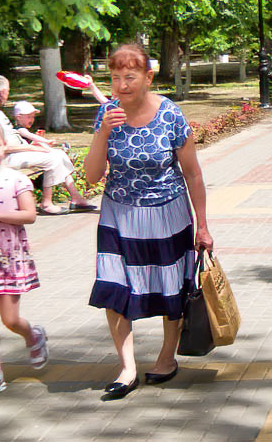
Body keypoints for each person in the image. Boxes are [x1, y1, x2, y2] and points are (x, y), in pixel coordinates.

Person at [84, 44, 214, 400]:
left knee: (170, 288)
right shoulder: (107, 114)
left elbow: (193, 174)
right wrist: (102, 134)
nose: (122, 85)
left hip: (166, 214)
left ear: (147, 77)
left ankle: (166, 357)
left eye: (130, 76)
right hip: (118, 215)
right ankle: (127, 368)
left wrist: (202, 225)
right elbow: (93, 177)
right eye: (115, 77)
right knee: (113, 287)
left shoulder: (170, 114)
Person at [0, 121, 49, 398]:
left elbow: (29, 214)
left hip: (8, 258)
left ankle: (33, 335)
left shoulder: (15, 179)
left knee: (10, 319)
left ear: (4, 146)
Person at [0, 76, 95, 215]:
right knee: (52, 159)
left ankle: (76, 198)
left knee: (59, 154)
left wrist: (34, 145)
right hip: (5, 158)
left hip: (16, 153)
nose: (7, 95)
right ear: (1, 92)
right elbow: (1, 147)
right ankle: (46, 203)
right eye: (7, 91)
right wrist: (33, 148)